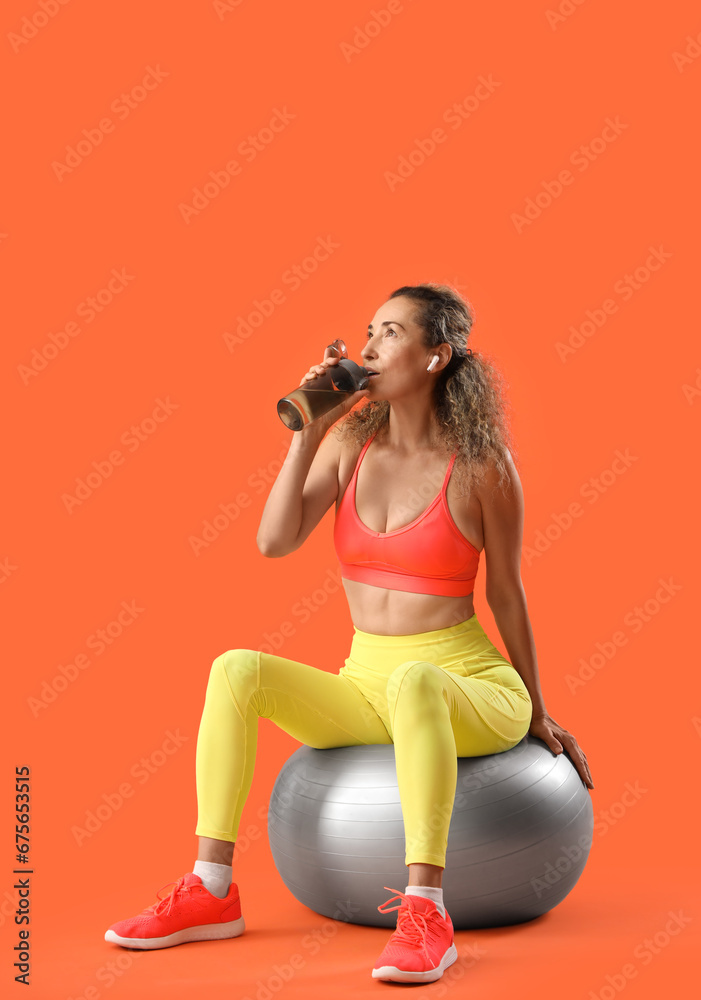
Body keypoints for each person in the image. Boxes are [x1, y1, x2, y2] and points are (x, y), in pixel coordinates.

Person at [104, 283, 593, 984]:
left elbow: (506, 594)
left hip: (468, 684)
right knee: (235, 668)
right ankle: (210, 890)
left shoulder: (482, 467)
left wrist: (537, 709)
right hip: (367, 681)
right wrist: (307, 432)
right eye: (368, 330)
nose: (367, 347)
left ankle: (425, 912)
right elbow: (274, 542)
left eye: (390, 333)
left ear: (435, 357)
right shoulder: (346, 446)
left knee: (416, 680)